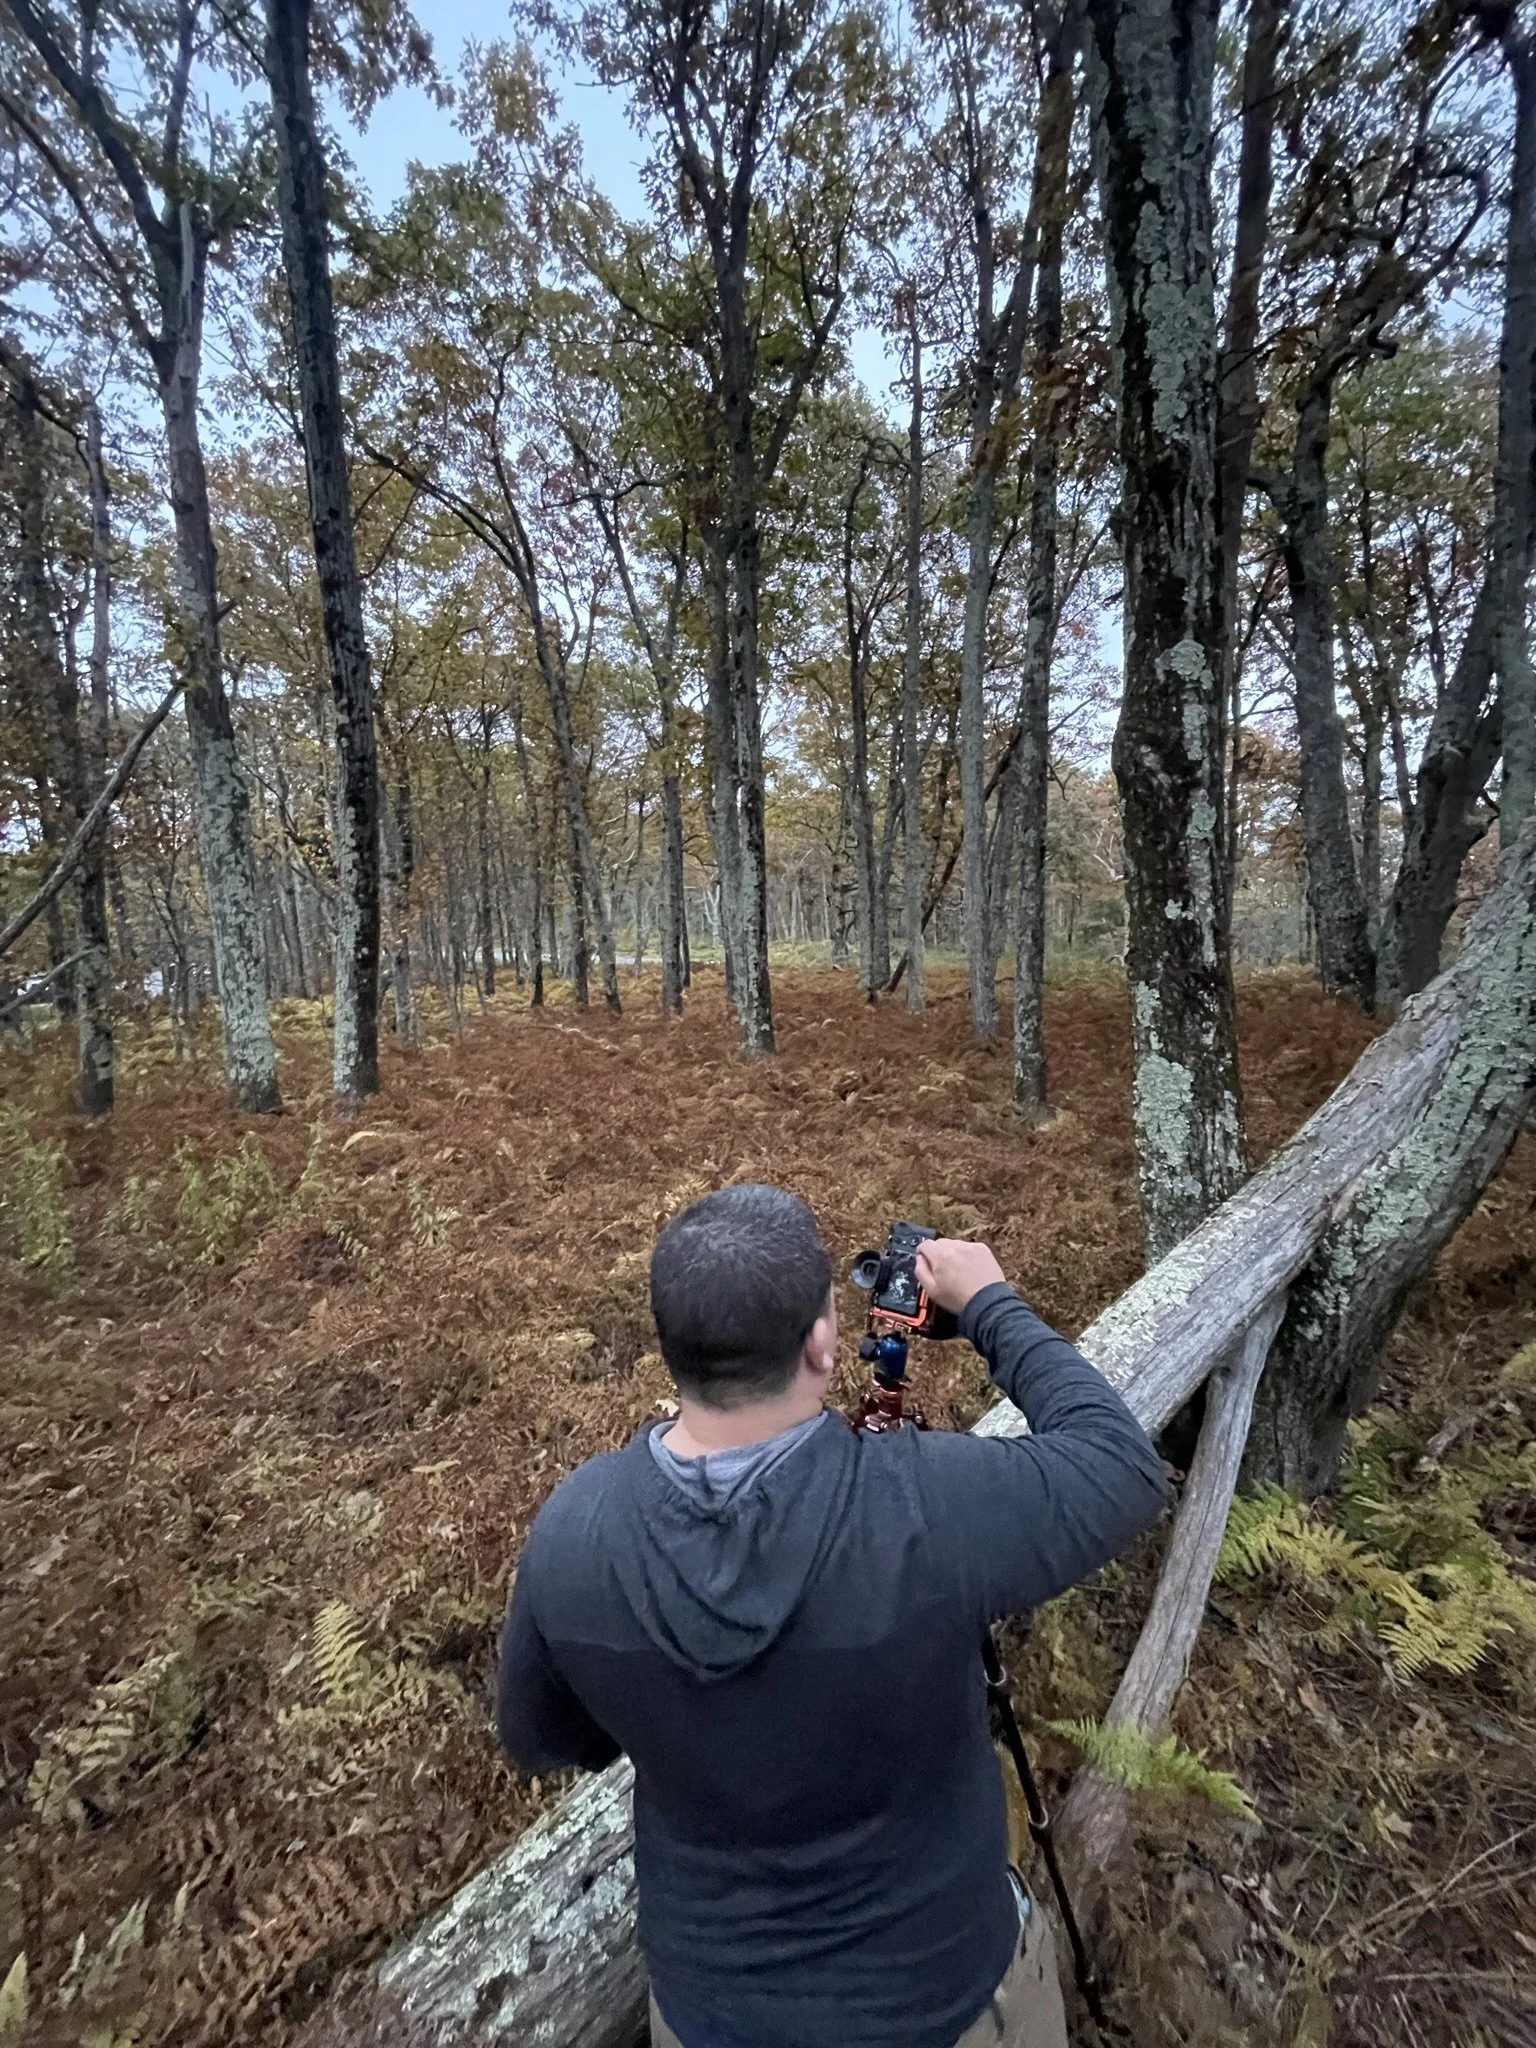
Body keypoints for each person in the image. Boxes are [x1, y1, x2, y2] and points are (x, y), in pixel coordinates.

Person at [497, 1183, 1168, 2048]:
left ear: (673, 1352)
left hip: (714, 2016)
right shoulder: (927, 1503)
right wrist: (990, 1305)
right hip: (946, 1993)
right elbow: (1120, 1466)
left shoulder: (574, 1532)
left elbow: (540, 1739)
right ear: (822, 1341)